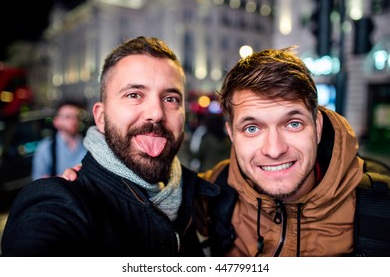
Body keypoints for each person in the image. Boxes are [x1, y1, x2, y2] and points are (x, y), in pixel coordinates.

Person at [1, 36, 218, 257]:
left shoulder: (203, 197)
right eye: (134, 95)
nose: (156, 113)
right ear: (101, 117)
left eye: (171, 99)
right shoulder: (58, 201)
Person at [198, 46, 388, 257]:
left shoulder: (381, 205)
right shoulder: (210, 191)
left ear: (317, 128)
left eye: (293, 124)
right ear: (232, 135)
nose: (274, 150)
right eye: (252, 128)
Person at [31, 100, 87, 180]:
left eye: (76, 117)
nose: (74, 121)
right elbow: (38, 181)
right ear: (56, 121)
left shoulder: (88, 145)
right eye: (68, 117)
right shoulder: (46, 147)